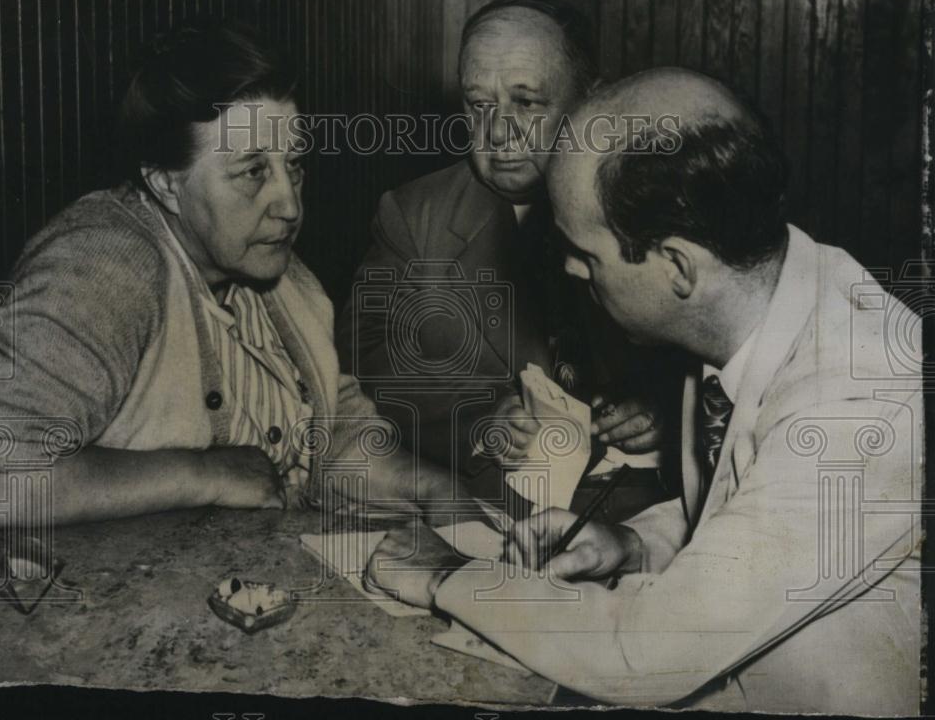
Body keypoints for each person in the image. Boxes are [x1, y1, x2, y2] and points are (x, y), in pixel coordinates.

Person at [364, 68, 922, 713]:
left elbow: (648, 655)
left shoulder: (857, 406)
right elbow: (742, 506)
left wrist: (445, 576)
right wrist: (634, 544)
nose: (571, 270)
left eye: (586, 253)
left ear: (678, 266)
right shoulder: (753, 305)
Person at [0, 22, 460, 527]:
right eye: (253, 171)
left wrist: (430, 487)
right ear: (166, 183)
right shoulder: (105, 265)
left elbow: (329, 431)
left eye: (294, 164)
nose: (288, 204)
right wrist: (201, 473)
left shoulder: (275, 270)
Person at [336, 0, 679, 513]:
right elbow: (363, 362)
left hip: (641, 516)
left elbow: (709, 351)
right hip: (487, 512)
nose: (498, 132)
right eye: (479, 105)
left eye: (526, 103)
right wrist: (477, 422)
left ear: (590, 102)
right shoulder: (412, 215)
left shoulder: (662, 208)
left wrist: (667, 408)